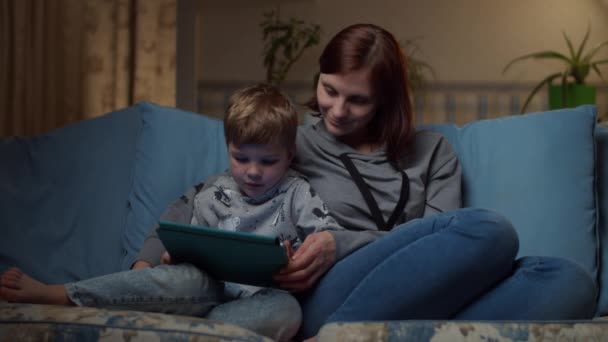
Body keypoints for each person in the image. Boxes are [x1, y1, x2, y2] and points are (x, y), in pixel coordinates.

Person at [0, 83, 345, 342]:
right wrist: (171, 257)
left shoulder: (299, 192)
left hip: (258, 300)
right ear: (228, 149)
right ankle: (61, 295)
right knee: (177, 278)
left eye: (268, 162)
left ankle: (182, 334)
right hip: (201, 288)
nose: (253, 172)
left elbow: (326, 240)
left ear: (289, 156)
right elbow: (189, 243)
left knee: (287, 312)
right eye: (241, 158)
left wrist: (299, 258)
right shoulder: (213, 191)